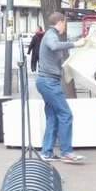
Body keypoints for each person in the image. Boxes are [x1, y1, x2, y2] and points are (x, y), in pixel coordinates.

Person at [36, 12, 87, 163]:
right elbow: (53, 46)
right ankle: (67, 152)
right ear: (59, 22)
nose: (65, 26)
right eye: (64, 23)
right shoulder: (51, 34)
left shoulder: (50, 34)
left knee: (53, 117)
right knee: (66, 115)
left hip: (46, 82)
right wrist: (75, 44)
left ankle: (46, 152)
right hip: (49, 82)